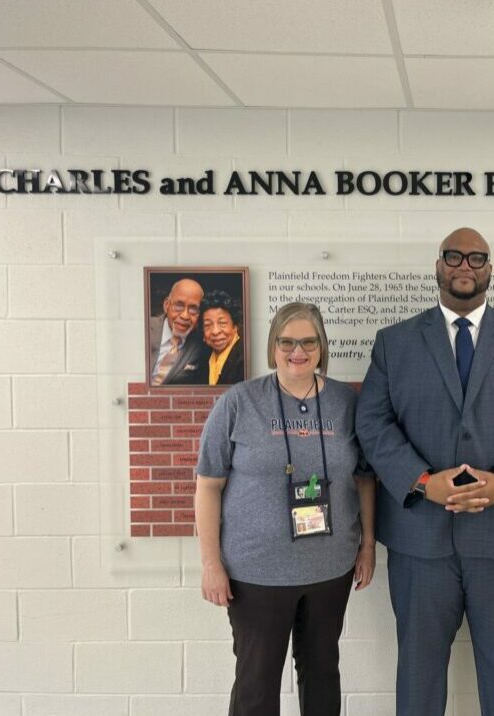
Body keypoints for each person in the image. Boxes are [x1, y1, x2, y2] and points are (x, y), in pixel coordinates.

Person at [355, 227, 494, 716]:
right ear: (438, 267)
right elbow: (372, 422)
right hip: (420, 540)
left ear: (491, 270)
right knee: (418, 673)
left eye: (477, 258)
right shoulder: (394, 343)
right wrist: (423, 482)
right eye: (454, 257)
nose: (465, 266)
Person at [195, 302, 377, 716]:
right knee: (256, 685)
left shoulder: (345, 404)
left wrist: (366, 546)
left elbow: (365, 477)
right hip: (256, 573)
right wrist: (211, 563)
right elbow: (208, 485)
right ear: (272, 346)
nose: (298, 350)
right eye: (287, 341)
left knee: (322, 676)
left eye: (308, 341)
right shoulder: (239, 402)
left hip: (330, 570)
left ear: (322, 346)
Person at [149, 277, 207, 385]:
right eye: (179, 306)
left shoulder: (200, 345)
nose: (185, 316)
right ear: (167, 305)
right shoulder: (147, 328)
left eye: (193, 309)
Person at [200, 289, 246, 385]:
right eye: (208, 325)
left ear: (235, 327)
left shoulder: (244, 359)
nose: (215, 331)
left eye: (222, 323)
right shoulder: (203, 359)